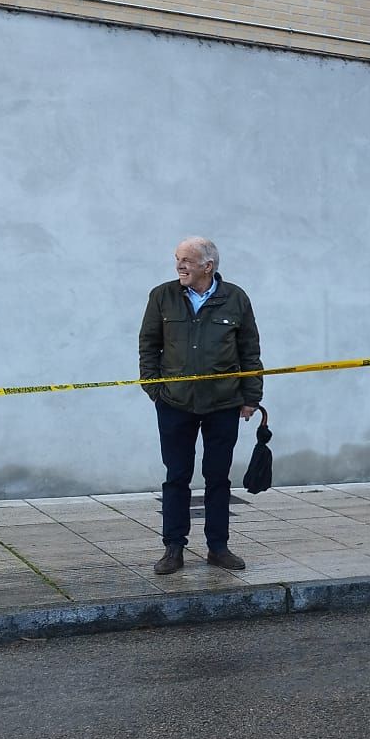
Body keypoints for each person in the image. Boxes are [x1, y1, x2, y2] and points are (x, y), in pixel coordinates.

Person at [138, 237, 262, 575]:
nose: (180, 266)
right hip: (175, 404)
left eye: (187, 260)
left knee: (218, 477)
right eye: (178, 259)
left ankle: (218, 547)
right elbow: (148, 344)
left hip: (223, 403)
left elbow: (250, 349)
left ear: (208, 266)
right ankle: (173, 548)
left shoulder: (235, 298)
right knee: (176, 476)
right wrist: (154, 389)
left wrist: (252, 397)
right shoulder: (162, 296)